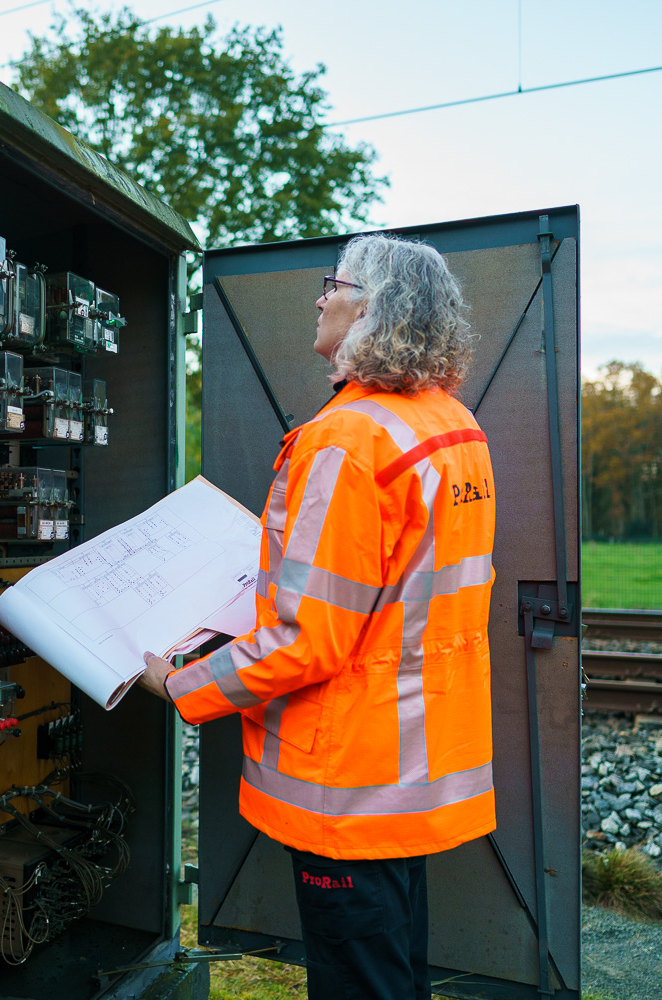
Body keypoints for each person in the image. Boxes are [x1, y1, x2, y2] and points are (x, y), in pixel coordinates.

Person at [139, 234, 497, 1000]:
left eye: (332, 284)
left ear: (370, 309)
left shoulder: (346, 442)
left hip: (352, 782)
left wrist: (181, 685)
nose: (319, 298)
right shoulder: (453, 427)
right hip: (414, 766)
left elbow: (308, 639)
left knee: (359, 987)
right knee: (393, 974)